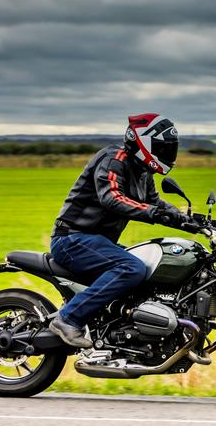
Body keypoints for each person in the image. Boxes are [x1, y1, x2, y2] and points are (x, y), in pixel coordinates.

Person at [48, 113, 191, 348]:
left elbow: (155, 203)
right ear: (144, 143)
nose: (168, 152)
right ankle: (68, 319)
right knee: (131, 267)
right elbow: (112, 198)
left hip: (98, 243)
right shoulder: (114, 158)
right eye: (162, 147)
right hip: (72, 239)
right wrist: (154, 214)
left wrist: (186, 220)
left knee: (147, 266)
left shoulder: (143, 172)